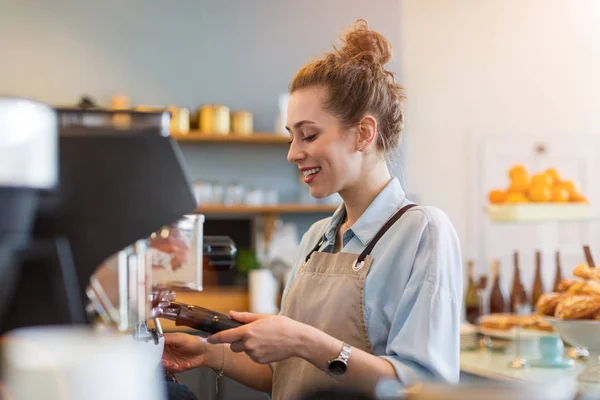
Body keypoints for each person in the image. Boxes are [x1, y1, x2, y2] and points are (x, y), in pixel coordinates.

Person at [161, 19, 462, 400]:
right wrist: (208, 353)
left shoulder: (423, 232)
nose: (293, 153)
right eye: (292, 137)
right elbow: (289, 374)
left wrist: (302, 339)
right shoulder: (316, 238)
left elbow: (423, 387)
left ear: (364, 134)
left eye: (310, 135)